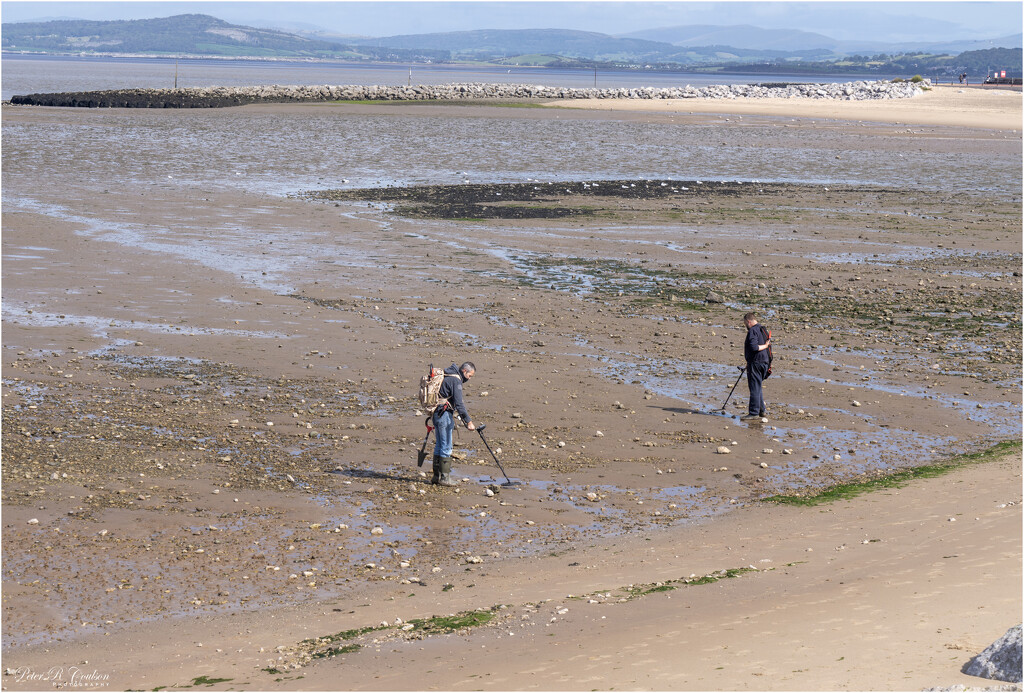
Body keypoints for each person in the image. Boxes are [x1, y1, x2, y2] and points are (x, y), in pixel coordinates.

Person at [431, 362, 476, 486]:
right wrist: (469, 422)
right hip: (444, 415)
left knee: (439, 445)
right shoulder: (455, 381)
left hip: (436, 413)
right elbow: (459, 404)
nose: (469, 379)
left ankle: (436, 476)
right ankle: (444, 478)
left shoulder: (447, 375)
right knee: (446, 447)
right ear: (464, 371)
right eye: (470, 376)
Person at [742, 313, 771, 421]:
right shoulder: (763, 329)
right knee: (757, 386)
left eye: (745, 323)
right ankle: (761, 410)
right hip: (764, 362)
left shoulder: (753, 330)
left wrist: (765, 346)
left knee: (754, 387)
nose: (745, 325)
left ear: (748, 321)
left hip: (757, 363)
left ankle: (754, 412)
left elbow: (754, 347)